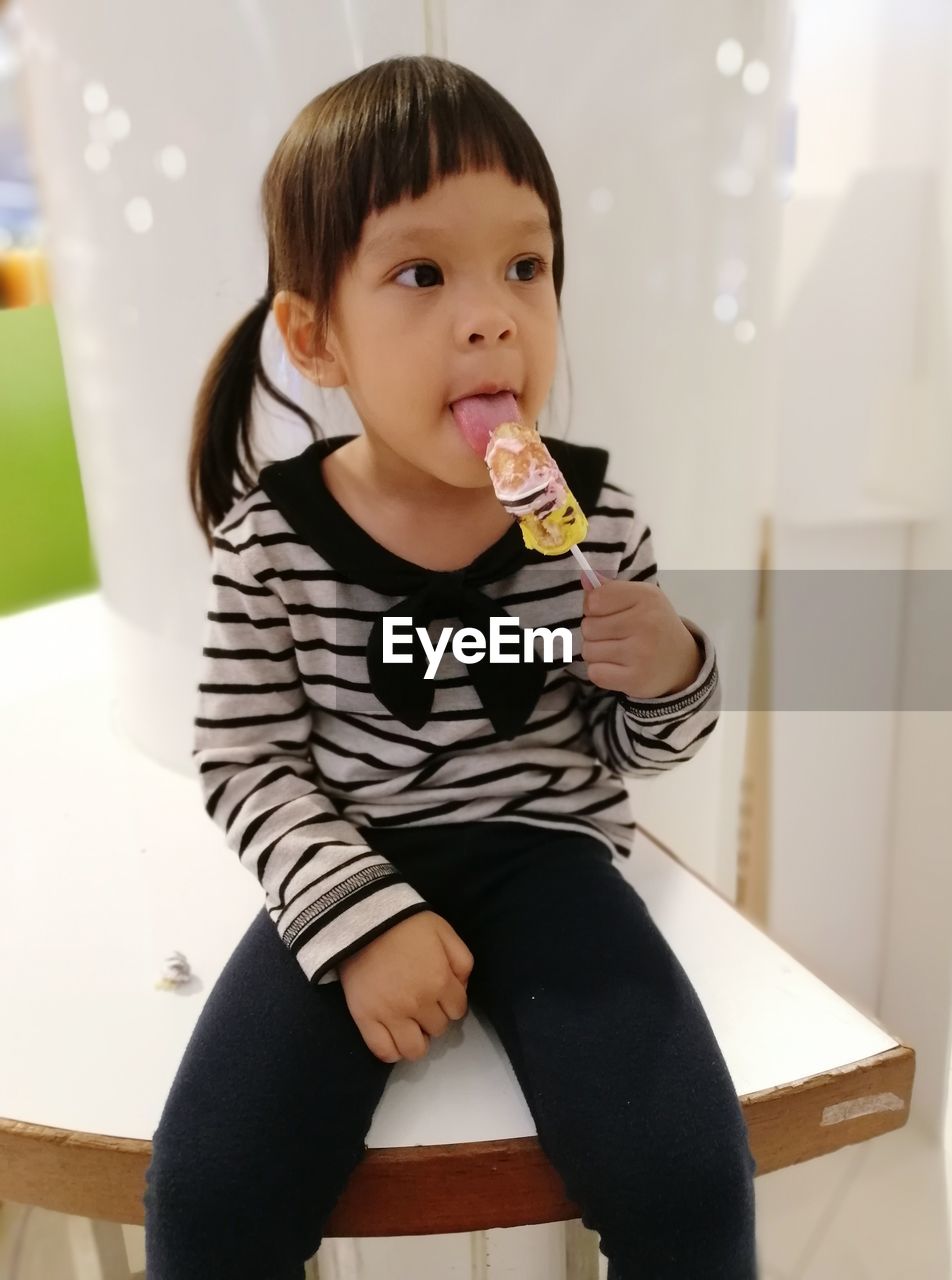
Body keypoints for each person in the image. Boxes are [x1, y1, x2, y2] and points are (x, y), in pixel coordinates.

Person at [144, 55, 758, 1280]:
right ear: (318, 337)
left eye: (525, 268)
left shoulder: (593, 518)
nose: (492, 315)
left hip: (549, 853)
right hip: (354, 845)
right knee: (205, 1197)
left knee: (692, 1181)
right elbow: (244, 754)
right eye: (422, 274)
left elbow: (639, 747)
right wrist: (362, 921)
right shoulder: (274, 539)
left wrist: (670, 669)